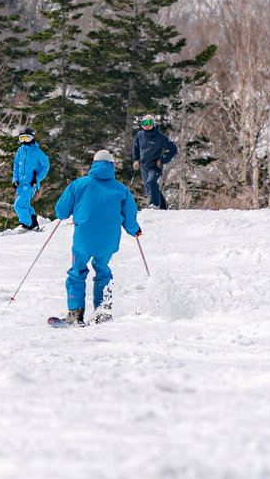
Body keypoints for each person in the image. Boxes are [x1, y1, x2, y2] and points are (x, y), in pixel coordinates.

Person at [53, 149, 141, 326]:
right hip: (108, 240)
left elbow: (61, 211)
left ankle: (75, 314)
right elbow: (130, 217)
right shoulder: (121, 189)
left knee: (77, 272)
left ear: (93, 164)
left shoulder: (78, 184)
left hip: (83, 238)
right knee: (103, 271)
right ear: (111, 166)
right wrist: (134, 230)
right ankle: (102, 312)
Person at [132, 115, 178, 210]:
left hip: (155, 166)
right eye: (144, 123)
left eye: (149, 123)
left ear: (153, 124)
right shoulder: (139, 135)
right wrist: (135, 160)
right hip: (143, 166)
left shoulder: (160, 138)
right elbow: (135, 148)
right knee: (149, 187)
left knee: (151, 182)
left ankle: (154, 204)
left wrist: (164, 160)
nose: (146, 126)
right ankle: (163, 206)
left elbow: (173, 148)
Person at [12, 126, 50, 231]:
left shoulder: (38, 152)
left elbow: (45, 166)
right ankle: (33, 223)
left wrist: (36, 179)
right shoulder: (20, 151)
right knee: (25, 204)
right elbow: (16, 165)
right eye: (22, 138)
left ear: (32, 138)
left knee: (18, 205)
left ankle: (27, 224)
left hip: (30, 184)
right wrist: (15, 180)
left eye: (27, 138)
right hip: (20, 184)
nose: (24, 141)